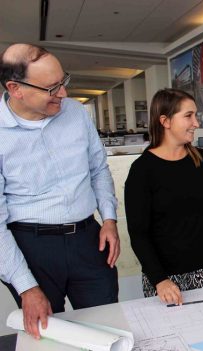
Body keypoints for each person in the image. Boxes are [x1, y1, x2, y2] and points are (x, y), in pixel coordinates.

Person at [0, 44, 119, 339]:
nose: (63, 94)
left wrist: (109, 219)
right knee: (50, 337)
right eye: (52, 88)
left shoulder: (76, 113)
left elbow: (98, 170)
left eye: (63, 82)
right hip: (32, 247)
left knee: (107, 327)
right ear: (15, 88)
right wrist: (26, 286)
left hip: (88, 240)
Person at [124, 88, 203, 305]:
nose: (196, 123)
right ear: (165, 121)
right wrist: (159, 279)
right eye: (188, 116)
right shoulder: (142, 171)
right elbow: (138, 234)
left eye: (196, 115)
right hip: (165, 279)